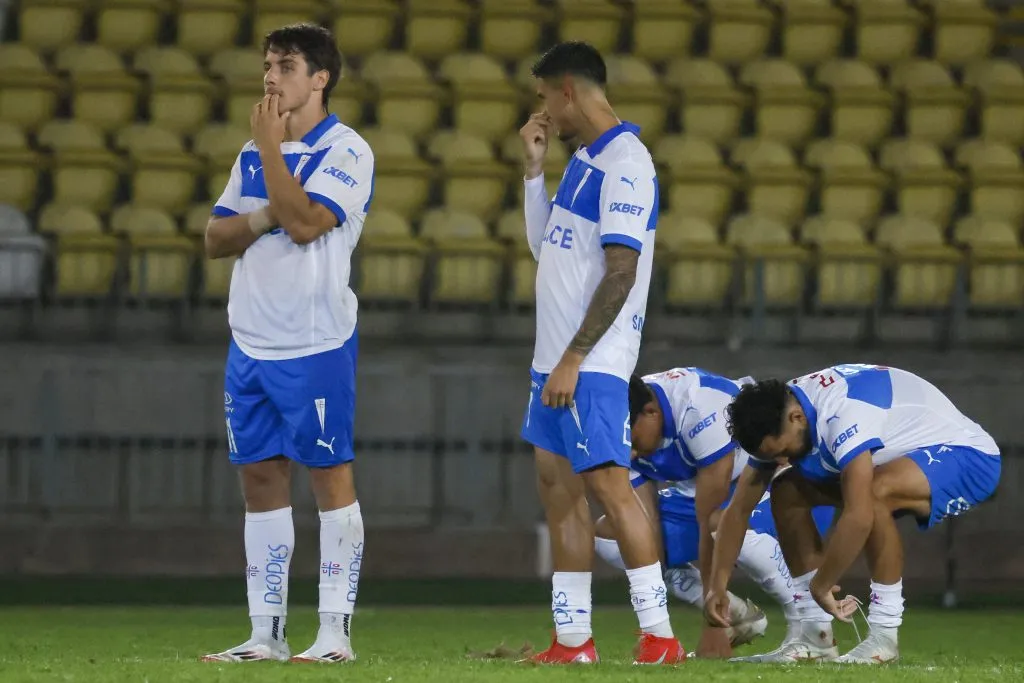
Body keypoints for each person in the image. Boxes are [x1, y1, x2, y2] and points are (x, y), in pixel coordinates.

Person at [200, 23, 374, 664]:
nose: (271, 77)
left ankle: (334, 633)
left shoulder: (348, 151)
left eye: (287, 65)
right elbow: (215, 238)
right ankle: (265, 633)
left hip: (315, 344)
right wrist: (268, 205)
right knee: (261, 485)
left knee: (331, 482)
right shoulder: (254, 150)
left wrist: (273, 161)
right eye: (268, 64)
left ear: (320, 78)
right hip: (250, 343)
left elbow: (305, 225)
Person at [517, 41, 685, 665]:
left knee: (613, 489)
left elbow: (621, 272)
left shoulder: (627, 162)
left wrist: (574, 358)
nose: (543, 115)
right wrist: (534, 173)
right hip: (553, 363)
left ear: (566, 90)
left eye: (544, 98)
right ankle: (572, 641)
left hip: (590, 363)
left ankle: (661, 637)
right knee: (559, 492)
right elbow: (548, 250)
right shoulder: (585, 160)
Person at [705, 363, 1001, 664]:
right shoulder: (781, 414)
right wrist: (718, 586)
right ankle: (815, 639)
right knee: (786, 489)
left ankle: (883, 640)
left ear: (796, 417)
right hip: (902, 459)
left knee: (873, 495)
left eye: (783, 451)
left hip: (968, 457)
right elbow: (738, 510)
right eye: (771, 457)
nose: (781, 460)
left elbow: (859, 515)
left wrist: (822, 583)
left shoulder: (843, 411)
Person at [593, 368, 835, 660]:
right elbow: (647, 524)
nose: (629, 454)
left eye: (631, 440)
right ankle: (733, 613)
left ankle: (812, 629)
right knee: (611, 535)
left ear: (651, 411)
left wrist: (712, 630)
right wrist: (657, 623)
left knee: (721, 525)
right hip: (697, 499)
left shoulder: (702, 409)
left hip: (770, 490)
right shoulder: (620, 430)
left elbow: (709, 515)